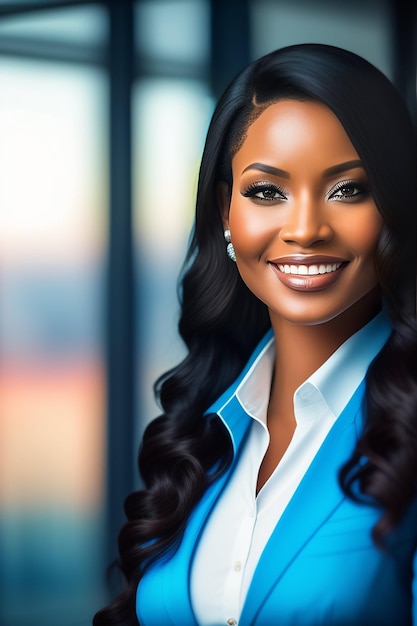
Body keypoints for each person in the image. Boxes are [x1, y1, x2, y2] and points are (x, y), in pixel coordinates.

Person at [94, 43, 417, 626]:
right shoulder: (203, 431)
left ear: (395, 206)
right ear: (225, 211)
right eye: (267, 192)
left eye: (348, 189)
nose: (305, 229)